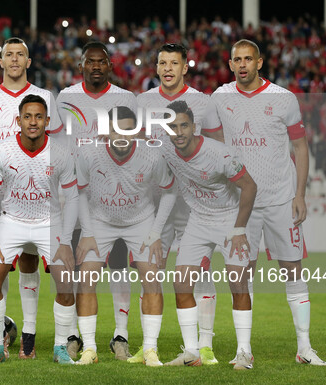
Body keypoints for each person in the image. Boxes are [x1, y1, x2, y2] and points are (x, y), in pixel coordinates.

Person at [203, 39, 326, 366]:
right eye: (237, 60)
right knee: (240, 274)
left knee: (293, 270)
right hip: (239, 203)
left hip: (280, 199)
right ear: (230, 65)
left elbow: (300, 148)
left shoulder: (283, 99)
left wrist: (300, 194)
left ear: (260, 62)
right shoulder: (219, 98)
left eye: (248, 59)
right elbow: (213, 145)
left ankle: (304, 348)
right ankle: (243, 350)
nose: (242, 65)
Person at [0, 37, 63, 359]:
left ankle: (29, 337)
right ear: (2, 61)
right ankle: (2, 331)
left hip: (40, 201)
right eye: (9, 54)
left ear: (29, 61)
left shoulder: (45, 97)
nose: (15, 59)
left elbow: (59, 145)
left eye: (21, 54)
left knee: (30, 266)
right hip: (1, 203)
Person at [134, 43, 218, 365]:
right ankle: (149, 344)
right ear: (156, 67)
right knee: (150, 272)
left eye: (174, 63)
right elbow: (138, 147)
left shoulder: (201, 102)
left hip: (194, 203)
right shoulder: (142, 102)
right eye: (162, 63)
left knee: (199, 273)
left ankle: (205, 345)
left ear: (186, 67)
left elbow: (213, 145)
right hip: (154, 203)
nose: (168, 68)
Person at [74, 106, 176, 366]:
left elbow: (170, 191)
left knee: (152, 278)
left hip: (140, 221)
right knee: (86, 278)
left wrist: (155, 233)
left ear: (137, 131)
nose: (123, 135)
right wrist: (86, 233)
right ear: (106, 132)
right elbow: (81, 193)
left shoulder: (151, 157)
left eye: (129, 130)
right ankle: (90, 349)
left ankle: (150, 350)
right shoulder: (89, 154)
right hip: (100, 220)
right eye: (117, 130)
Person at [0, 94, 78, 365]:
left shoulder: (60, 152)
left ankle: (60, 347)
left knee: (66, 282)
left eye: (38, 117)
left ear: (47, 121)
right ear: (18, 120)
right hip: (12, 221)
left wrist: (66, 241)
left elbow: (71, 198)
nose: (33, 122)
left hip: (50, 223)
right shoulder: (2, 150)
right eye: (27, 116)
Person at [56, 41, 138, 359]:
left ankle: (120, 334)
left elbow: (134, 144)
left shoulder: (124, 98)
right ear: (81, 65)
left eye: (101, 62)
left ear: (109, 65)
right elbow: (60, 145)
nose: (95, 66)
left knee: (118, 265)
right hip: (76, 195)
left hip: (113, 195)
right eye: (89, 62)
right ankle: (77, 333)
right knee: (80, 265)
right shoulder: (66, 98)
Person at [161, 100, 257, 370]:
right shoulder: (166, 150)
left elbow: (249, 187)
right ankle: (192, 352)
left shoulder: (219, 154)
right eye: (172, 127)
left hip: (229, 218)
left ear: (194, 127)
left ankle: (244, 353)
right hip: (198, 219)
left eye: (183, 125)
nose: (178, 132)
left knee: (238, 283)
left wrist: (239, 229)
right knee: (181, 283)